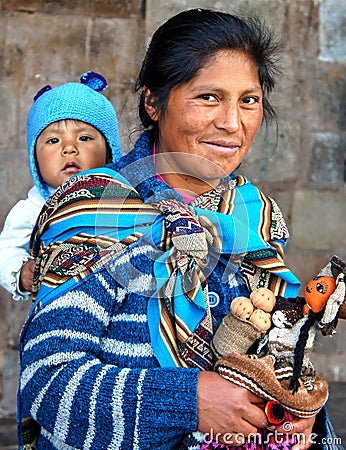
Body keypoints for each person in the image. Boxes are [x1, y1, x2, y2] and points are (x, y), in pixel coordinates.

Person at [17, 9, 335, 450]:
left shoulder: (253, 214)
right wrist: (190, 401)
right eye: (208, 97)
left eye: (249, 100)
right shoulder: (95, 206)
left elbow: (273, 357)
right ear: (153, 102)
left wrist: (296, 415)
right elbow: (48, 386)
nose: (232, 123)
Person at [0, 71, 122, 301]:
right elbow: (6, 251)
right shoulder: (34, 208)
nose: (69, 148)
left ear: (109, 153)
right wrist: (20, 272)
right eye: (53, 140)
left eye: (84, 138)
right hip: (57, 310)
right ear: (35, 158)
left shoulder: (122, 199)